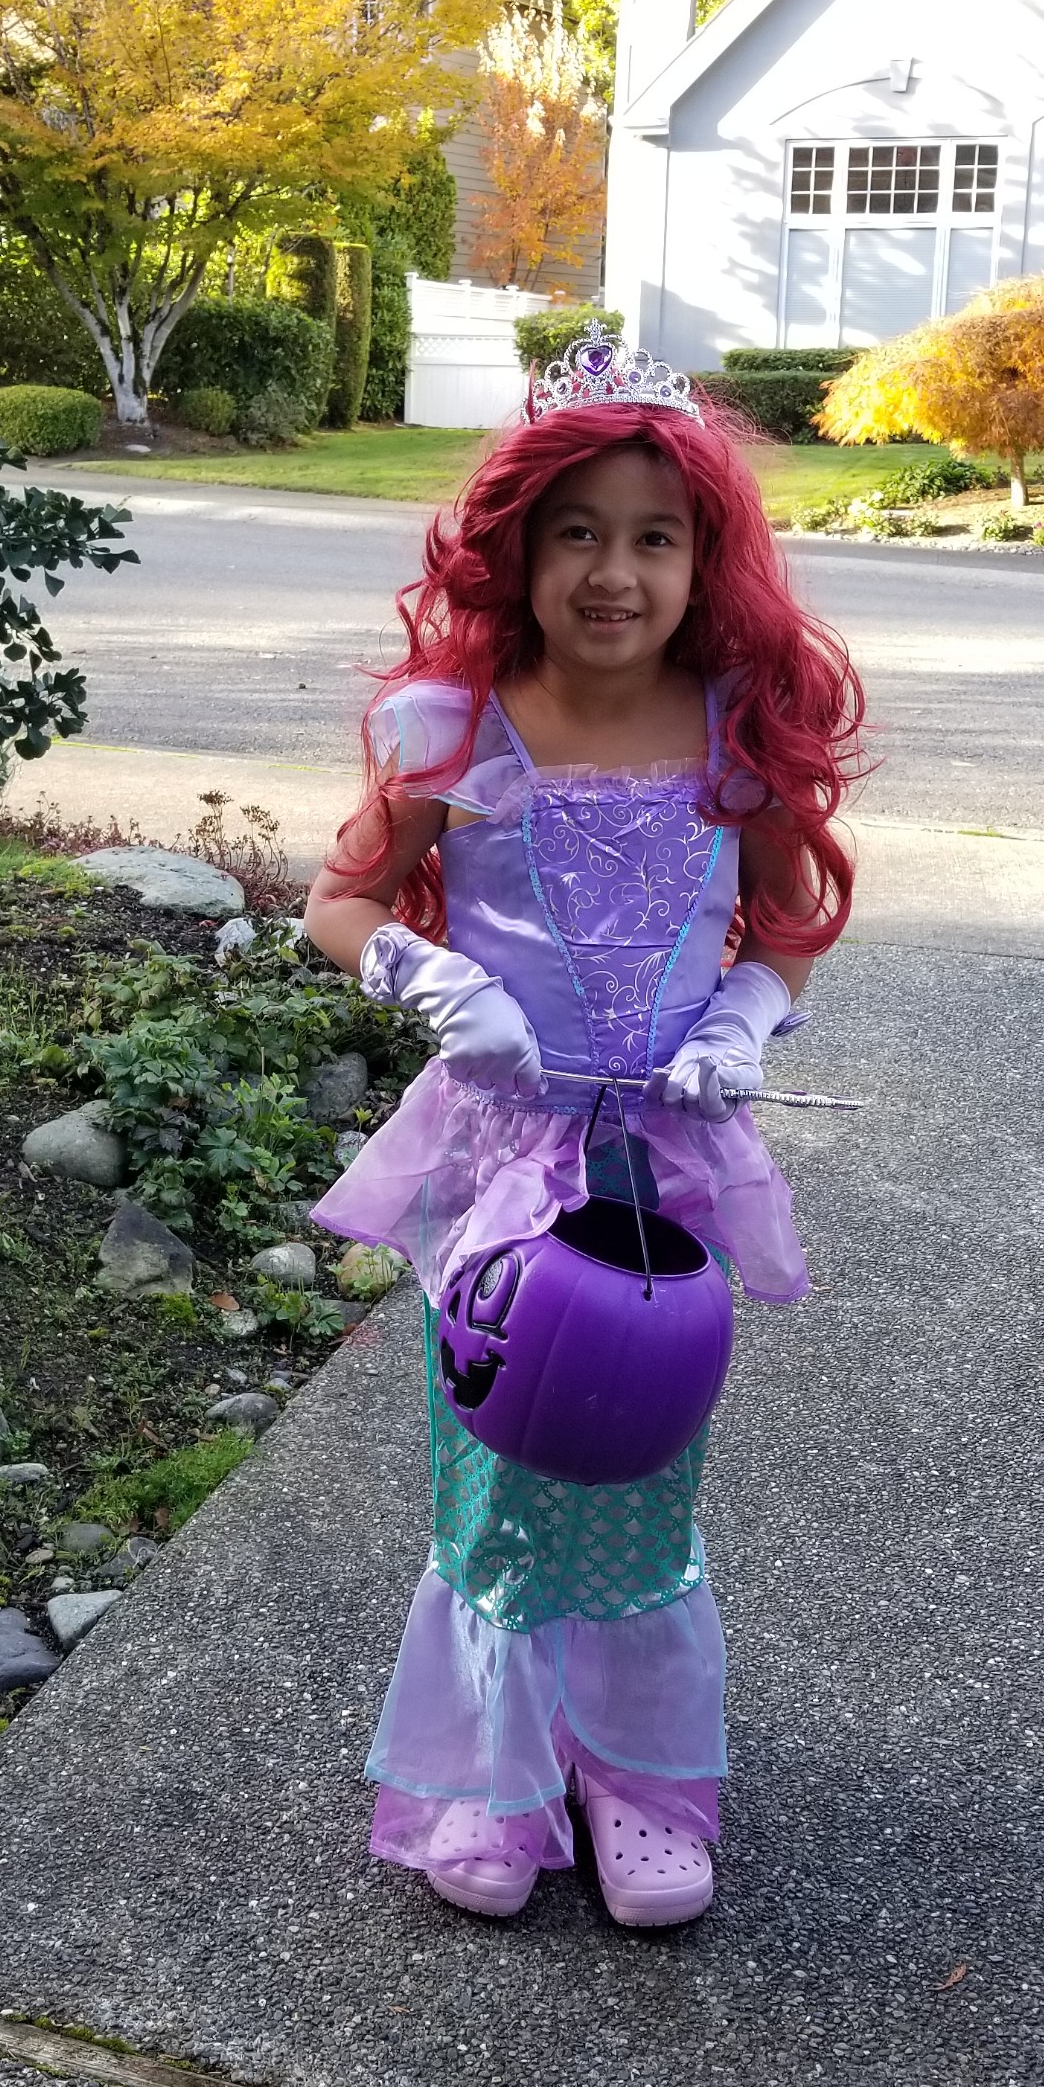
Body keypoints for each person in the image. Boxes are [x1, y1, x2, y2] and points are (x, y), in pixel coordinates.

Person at [304, 334, 863, 1928]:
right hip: (501, 1164)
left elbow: (787, 926)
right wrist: (434, 979)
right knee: (499, 1457)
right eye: (578, 534)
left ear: (705, 558)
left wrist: (744, 1022)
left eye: (654, 538)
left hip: (661, 1168)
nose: (614, 574)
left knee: (637, 1456)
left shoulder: (737, 728)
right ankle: (491, 1775)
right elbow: (340, 902)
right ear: (519, 547)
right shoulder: (451, 724)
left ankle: (635, 1778)